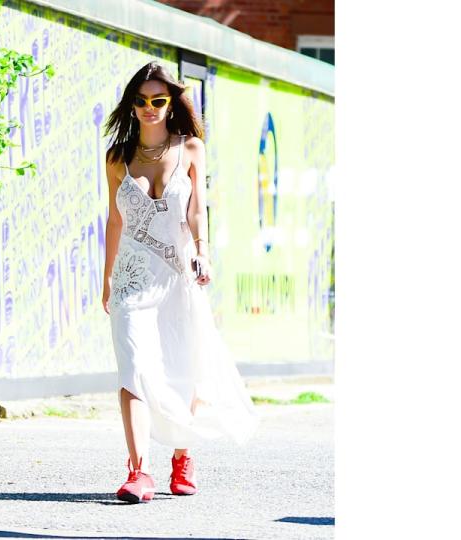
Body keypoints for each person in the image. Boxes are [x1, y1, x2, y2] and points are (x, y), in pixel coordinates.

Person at [102, 62, 260, 504]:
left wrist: (203, 252)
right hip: (132, 278)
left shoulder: (190, 147)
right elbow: (114, 220)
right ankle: (138, 471)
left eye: (158, 100)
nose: (149, 108)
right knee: (133, 365)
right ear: (131, 105)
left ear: (171, 103)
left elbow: (196, 211)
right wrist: (106, 281)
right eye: (141, 100)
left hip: (177, 274)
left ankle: (182, 455)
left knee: (182, 366)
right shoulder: (117, 156)